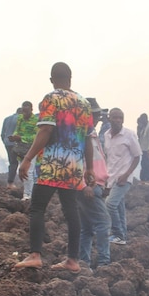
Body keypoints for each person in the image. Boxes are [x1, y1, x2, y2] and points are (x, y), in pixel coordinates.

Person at [14, 62, 94, 272]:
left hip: (52, 164)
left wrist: (28, 158)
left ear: (52, 80)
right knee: (71, 211)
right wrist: (90, 168)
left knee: (37, 208)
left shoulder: (51, 99)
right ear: (70, 78)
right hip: (74, 167)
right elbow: (88, 139)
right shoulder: (84, 103)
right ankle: (73, 260)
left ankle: (35, 255)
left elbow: (45, 132)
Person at [78, 98, 112, 267]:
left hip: (94, 185)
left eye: (99, 114)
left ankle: (84, 263)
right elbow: (76, 162)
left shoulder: (92, 134)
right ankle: (104, 264)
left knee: (87, 229)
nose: (99, 117)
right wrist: (85, 185)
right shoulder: (81, 135)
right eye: (96, 114)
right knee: (103, 223)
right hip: (88, 187)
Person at [104, 108, 142, 245]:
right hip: (112, 178)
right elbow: (109, 159)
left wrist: (126, 175)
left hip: (124, 179)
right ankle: (123, 235)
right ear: (109, 118)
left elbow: (137, 157)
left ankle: (117, 234)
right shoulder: (106, 135)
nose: (118, 120)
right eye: (115, 117)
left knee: (109, 204)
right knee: (118, 207)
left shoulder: (129, 135)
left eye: (120, 117)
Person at [9, 101, 39, 200]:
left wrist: (21, 138)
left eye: (26, 111)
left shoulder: (36, 120)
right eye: (23, 111)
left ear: (31, 109)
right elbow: (17, 129)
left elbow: (36, 136)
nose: (24, 114)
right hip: (21, 149)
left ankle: (28, 195)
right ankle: (29, 193)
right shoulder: (20, 118)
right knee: (22, 171)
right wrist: (14, 136)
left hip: (32, 149)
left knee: (29, 172)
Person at [1, 107, 20, 189]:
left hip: (7, 143)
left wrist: (5, 142)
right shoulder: (20, 119)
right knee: (16, 163)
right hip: (16, 143)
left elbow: (2, 134)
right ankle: (10, 183)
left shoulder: (7, 119)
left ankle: (10, 182)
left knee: (12, 162)